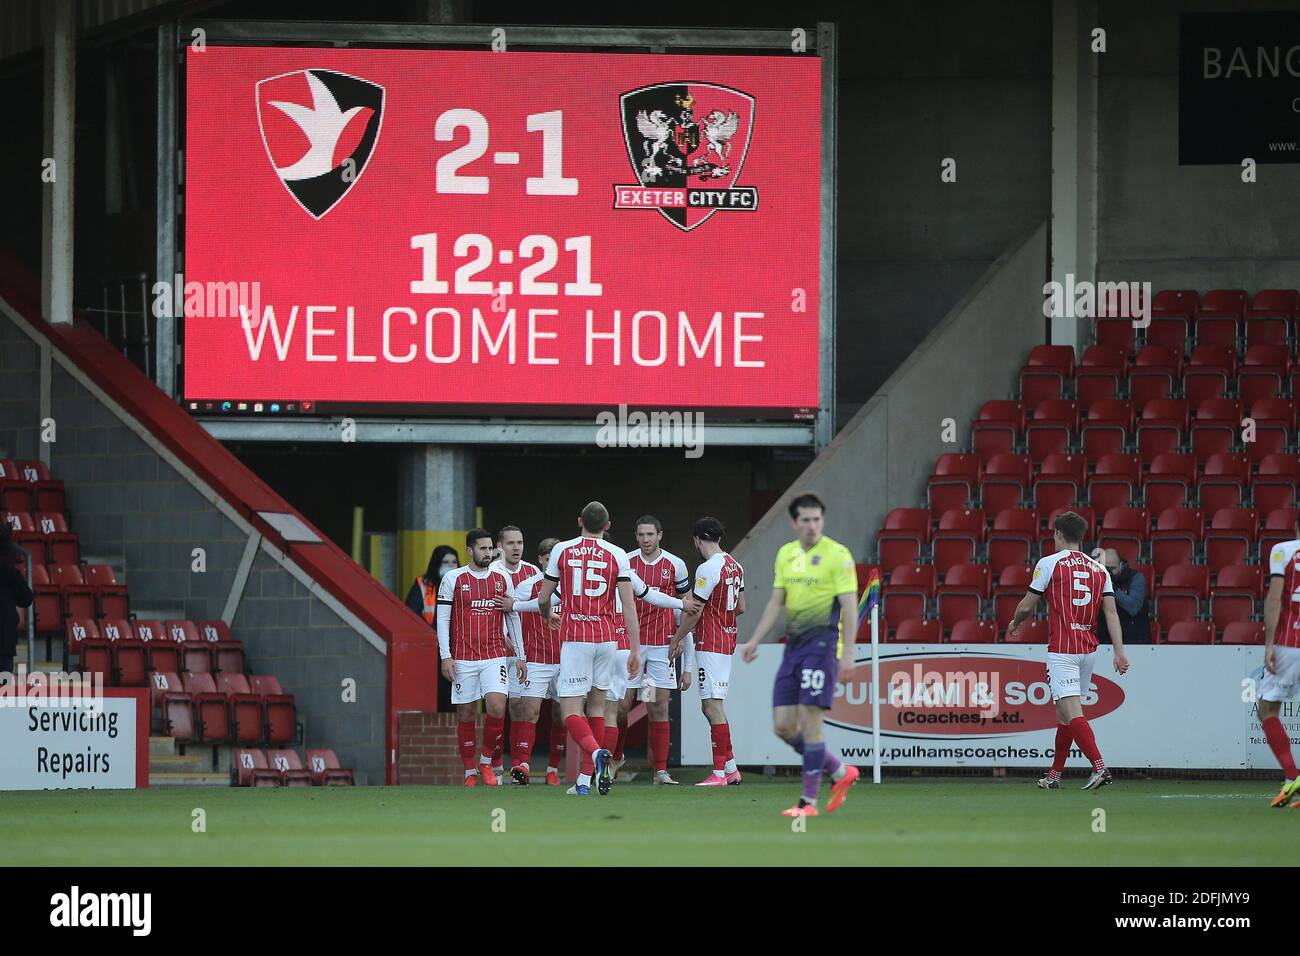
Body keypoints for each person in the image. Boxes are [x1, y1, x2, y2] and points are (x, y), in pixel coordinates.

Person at [739, 494, 860, 817]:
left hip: (823, 648)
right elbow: (777, 602)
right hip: (792, 649)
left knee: (810, 723)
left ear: (823, 520)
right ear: (794, 523)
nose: (812, 525)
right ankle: (839, 771)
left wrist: (848, 654)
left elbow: (850, 606)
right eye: (805, 520)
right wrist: (754, 639)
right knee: (782, 726)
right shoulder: (786, 554)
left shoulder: (838, 555)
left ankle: (808, 803)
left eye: (817, 519)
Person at [1009, 511, 1130, 790]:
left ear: (1058, 534)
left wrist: (1015, 622)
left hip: (1063, 649)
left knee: (1072, 713)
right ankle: (1054, 776)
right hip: (1088, 649)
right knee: (1064, 715)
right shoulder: (1099, 569)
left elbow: (1028, 605)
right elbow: (1111, 613)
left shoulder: (1049, 563)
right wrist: (1119, 652)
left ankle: (1100, 768)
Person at [534, 501, 641, 797]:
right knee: (598, 707)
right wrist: (635, 648)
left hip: (576, 638)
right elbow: (629, 604)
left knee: (570, 710)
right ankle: (584, 782)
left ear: (579, 521)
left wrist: (547, 614)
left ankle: (595, 753)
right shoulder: (618, 553)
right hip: (607, 639)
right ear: (607, 526)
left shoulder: (562, 550)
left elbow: (544, 598)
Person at [436, 529, 524, 787]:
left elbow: (512, 616)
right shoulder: (453, 578)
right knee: (466, 713)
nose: (488, 553)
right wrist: (445, 656)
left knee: (497, 706)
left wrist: (520, 655)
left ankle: (485, 762)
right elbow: (443, 620)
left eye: (490, 549)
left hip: (494, 655)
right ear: (469, 550)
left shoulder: (501, 579)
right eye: (483, 549)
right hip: (462, 658)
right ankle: (468, 772)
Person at [671, 517, 744, 788]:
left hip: (710, 643)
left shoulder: (706, 569)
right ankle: (731, 768)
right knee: (716, 705)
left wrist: (676, 638)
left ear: (697, 539)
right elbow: (741, 606)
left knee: (711, 706)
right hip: (728, 640)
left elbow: (695, 610)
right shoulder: (736, 566)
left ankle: (718, 774)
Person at [495, 536, 568, 786]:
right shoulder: (528, 585)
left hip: (566, 658)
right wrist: (511, 644)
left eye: (556, 559)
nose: (553, 564)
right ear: (540, 560)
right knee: (529, 711)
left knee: (562, 715)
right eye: (548, 559)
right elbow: (510, 611)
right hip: (536, 658)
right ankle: (522, 765)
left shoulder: (573, 583)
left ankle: (552, 770)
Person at [626, 515, 692, 785]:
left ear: (660, 535)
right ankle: (614, 758)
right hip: (631, 648)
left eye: (649, 535)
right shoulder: (626, 562)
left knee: (657, 707)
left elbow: (686, 610)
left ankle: (660, 771)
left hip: (660, 650)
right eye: (641, 535)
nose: (645, 540)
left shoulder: (675, 565)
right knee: (620, 706)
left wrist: (685, 659)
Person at [486, 526, 541, 783]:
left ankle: (519, 766)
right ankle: (495, 764)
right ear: (499, 546)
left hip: (523, 650)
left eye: (519, 542)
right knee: (498, 708)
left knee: (520, 707)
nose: (516, 547)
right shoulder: (491, 572)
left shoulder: (534, 572)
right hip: (496, 650)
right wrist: (503, 637)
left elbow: (541, 607)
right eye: (510, 543)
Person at [1260, 517, 1300, 808]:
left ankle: (1291, 775)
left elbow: (1275, 600)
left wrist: (1269, 644)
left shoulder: (1283, 550)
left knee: (1267, 709)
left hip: (1291, 642)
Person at [407, 544, 461, 711]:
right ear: (436, 563)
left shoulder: (463, 585)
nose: (450, 566)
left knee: (455, 698)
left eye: (454, 562)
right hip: (430, 650)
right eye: (445, 562)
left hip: (458, 649)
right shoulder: (422, 585)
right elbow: (411, 616)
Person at [1091, 548, 1150, 644]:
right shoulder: (1096, 580)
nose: (1108, 572)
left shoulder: (1136, 578)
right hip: (1106, 642)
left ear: (1121, 565)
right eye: (1105, 568)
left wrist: (1111, 588)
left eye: (1112, 568)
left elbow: (1133, 607)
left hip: (1136, 642)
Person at [0, 525, 33, 675]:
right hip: (5, 640)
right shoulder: (10, 572)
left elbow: (26, 599)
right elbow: (26, 599)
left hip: (5, 642)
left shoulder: (11, 574)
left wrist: (12, 573)